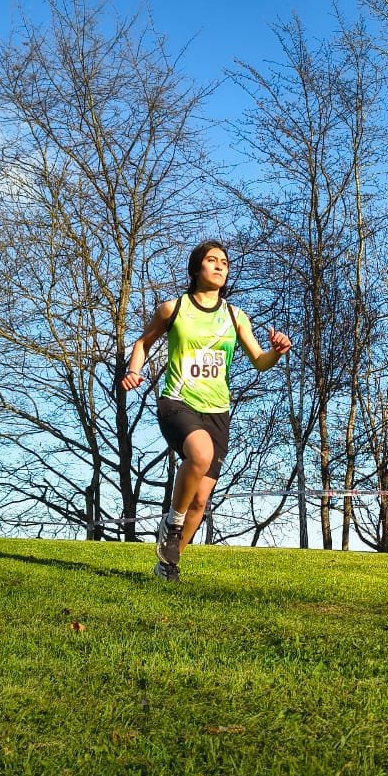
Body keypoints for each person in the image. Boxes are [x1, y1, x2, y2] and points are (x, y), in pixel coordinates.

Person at [121, 239, 291, 580]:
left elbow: (259, 361)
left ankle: (167, 566)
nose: (219, 267)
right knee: (198, 455)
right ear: (196, 268)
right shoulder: (174, 309)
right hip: (178, 402)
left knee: (200, 500)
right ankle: (172, 523)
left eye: (224, 263)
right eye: (212, 261)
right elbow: (142, 343)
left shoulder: (235, 316)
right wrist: (133, 370)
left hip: (218, 411)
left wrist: (278, 351)